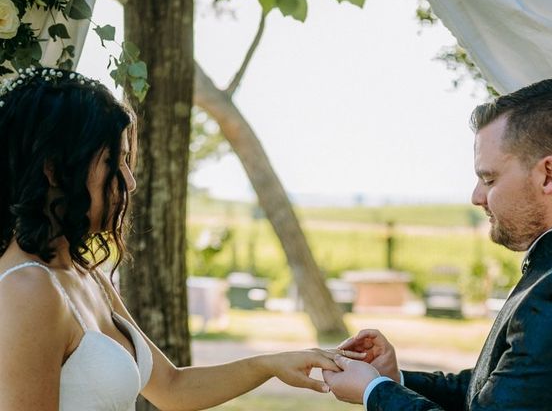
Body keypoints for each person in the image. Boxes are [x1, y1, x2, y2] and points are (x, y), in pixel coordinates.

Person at [0, 66, 360, 410]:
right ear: (53, 169)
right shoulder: (28, 290)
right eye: (114, 160)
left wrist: (271, 365)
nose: (130, 181)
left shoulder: (85, 274)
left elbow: (172, 388)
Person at [323, 78, 552, 410]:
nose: (477, 196)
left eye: (489, 179)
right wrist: (393, 379)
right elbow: (498, 391)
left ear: (548, 174)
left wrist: (374, 392)